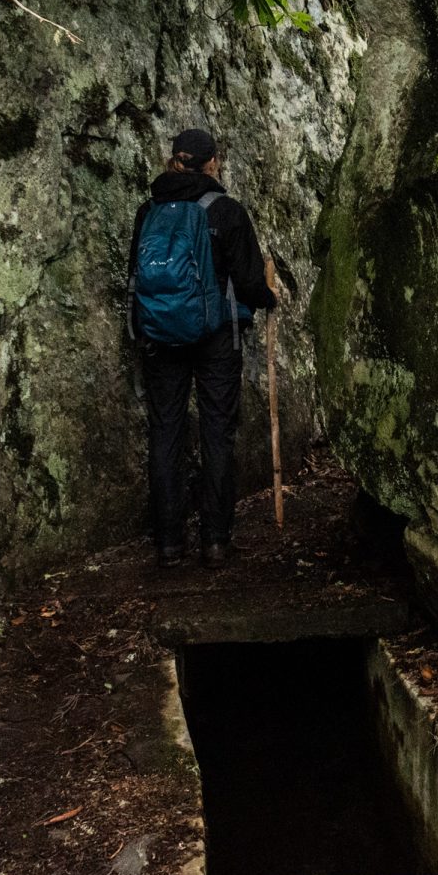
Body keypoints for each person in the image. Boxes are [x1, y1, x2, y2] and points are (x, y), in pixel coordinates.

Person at [129, 128, 277, 568]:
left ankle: (169, 544)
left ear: (172, 159)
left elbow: (136, 274)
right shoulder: (225, 210)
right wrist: (268, 298)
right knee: (216, 431)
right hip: (216, 337)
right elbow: (249, 281)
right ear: (213, 162)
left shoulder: (148, 211)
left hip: (158, 333)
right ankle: (215, 541)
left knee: (166, 431)